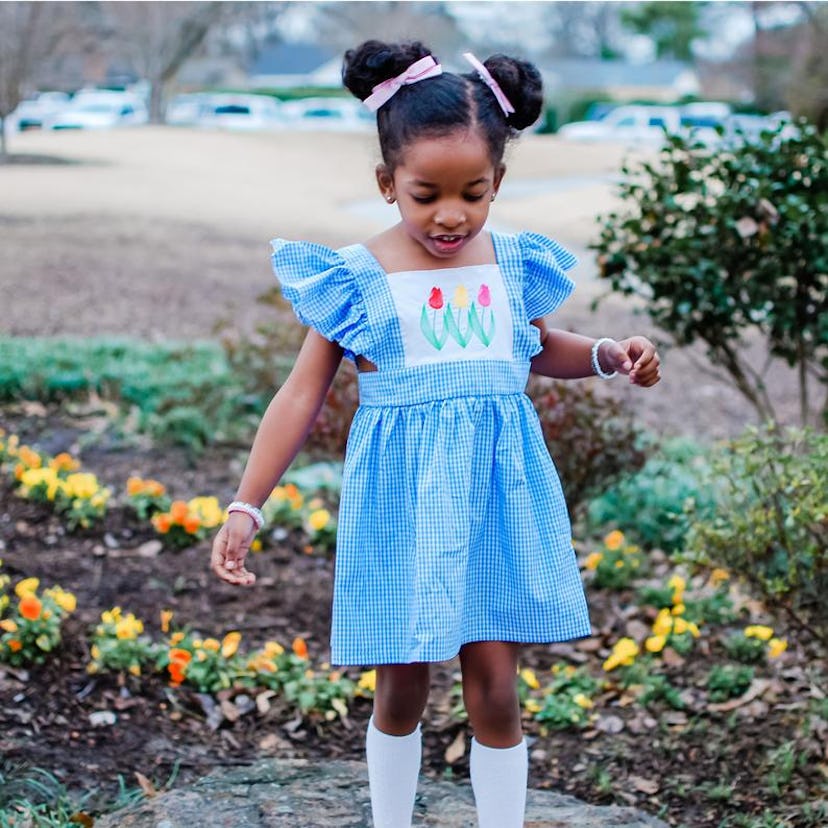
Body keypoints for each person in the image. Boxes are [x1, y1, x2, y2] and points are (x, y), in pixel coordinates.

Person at [211, 39, 661, 828]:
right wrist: (247, 505)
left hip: (495, 497)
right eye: (426, 195)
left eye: (473, 193)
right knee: (403, 682)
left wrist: (604, 355)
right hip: (403, 504)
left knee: (496, 682)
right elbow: (299, 396)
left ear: (499, 183)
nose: (450, 214)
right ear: (387, 184)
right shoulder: (356, 278)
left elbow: (533, 347)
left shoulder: (511, 263)